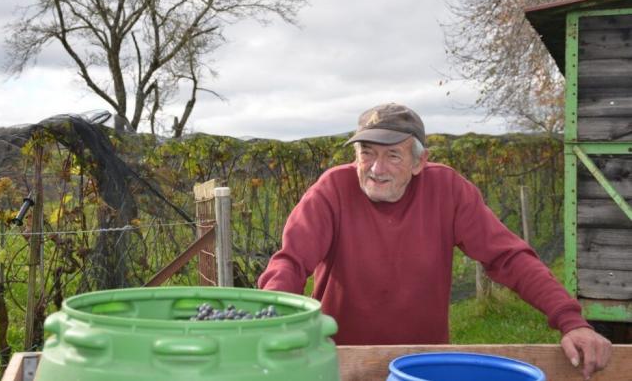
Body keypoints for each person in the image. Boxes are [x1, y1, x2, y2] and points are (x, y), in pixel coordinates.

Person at [258, 103, 611, 380]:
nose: (376, 168)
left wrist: (572, 321)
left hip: (421, 364)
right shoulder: (333, 189)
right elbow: (291, 261)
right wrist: (267, 322)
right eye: (367, 152)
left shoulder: (448, 191)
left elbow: (509, 258)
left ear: (419, 162)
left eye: (392, 155)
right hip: (339, 360)